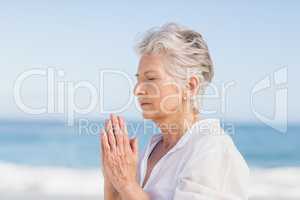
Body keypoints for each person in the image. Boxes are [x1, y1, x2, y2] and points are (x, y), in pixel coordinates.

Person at [100, 23, 249, 200]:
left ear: (190, 86)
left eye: (151, 78)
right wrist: (113, 180)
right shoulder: (153, 148)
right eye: (139, 79)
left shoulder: (212, 148)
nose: (138, 90)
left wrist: (126, 184)